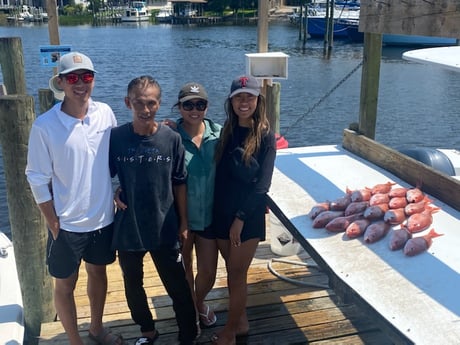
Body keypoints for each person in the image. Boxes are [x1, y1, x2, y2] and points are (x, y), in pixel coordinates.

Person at [25, 52, 123, 345]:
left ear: (93, 80)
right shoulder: (44, 125)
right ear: (61, 82)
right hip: (66, 225)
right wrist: (52, 221)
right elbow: (36, 177)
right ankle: (74, 341)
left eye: (86, 77)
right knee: (65, 285)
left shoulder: (105, 113)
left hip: (103, 218)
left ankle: (96, 328)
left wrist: (119, 189)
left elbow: (114, 159)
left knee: (98, 274)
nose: (80, 84)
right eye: (72, 78)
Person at [109, 76, 198, 345]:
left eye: (151, 103)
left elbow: (180, 183)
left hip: (164, 225)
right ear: (128, 103)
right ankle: (147, 330)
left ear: (159, 104)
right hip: (129, 226)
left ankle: (188, 333)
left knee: (177, 285)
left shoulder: (171, 138)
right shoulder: (116, 137)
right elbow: (102, 175)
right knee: (132, 283)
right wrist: (114, 190)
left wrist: (183, 222)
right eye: (138, 102)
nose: (144, 109)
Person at [210, 75, 277, 345]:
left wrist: (239, 219)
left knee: (237, 274)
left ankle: (228, 334)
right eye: (239, 97)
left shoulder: (266, 136)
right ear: (231, 101)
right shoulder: (226, 130)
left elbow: (262, 187)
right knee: (234, 274)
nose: (244, 102)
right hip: (221, 214)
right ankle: (242, 323)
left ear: (258, 100)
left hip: (246, 219)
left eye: (249, 96)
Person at [172, 83, 221, 329]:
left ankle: (197, 302)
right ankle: (194, 309)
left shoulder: (221, 135)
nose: (194, 110)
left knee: (209, 272)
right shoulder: (169, 136)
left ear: (207, 107)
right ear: (179, 107)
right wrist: (120, 189)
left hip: (211, 216)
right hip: (180, 217)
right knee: (185, 269)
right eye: (188, 104)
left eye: (199, 104)